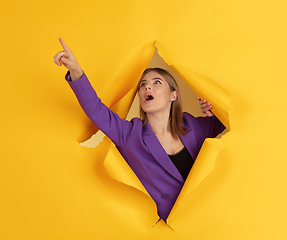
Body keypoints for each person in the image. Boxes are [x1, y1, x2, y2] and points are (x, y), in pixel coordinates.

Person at [53, 38, 225, 222]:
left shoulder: (194, 126)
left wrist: (212, 110)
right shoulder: (129, 134)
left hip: (206, 219)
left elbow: (230, 121)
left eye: (157, 82)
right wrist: (76, 70)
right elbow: (96, 110)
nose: (147, 87)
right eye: (143, 85)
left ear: (173, 95)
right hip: (165, 229)